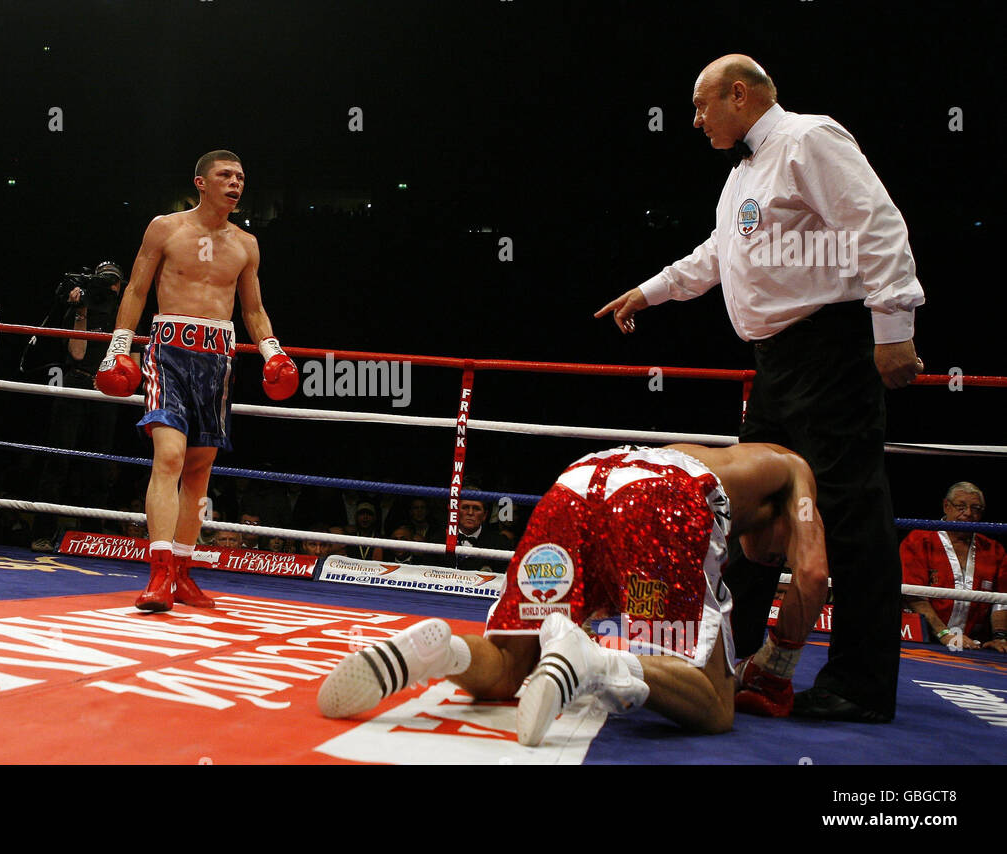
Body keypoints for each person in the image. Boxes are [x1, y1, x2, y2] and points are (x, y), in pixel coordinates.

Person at [595, 55, 925, 723]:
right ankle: (721, 655)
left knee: (852, 514)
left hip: (831, 351)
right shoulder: (743, 174)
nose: (694, 120)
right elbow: (718, 256)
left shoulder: (809, 139)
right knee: (743, 504)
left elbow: (879, 224)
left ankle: (860, 685)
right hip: (778, 367)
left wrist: (894, 327)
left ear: (737, 94)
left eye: (701, 106)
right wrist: (651, 291)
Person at [318, 443, 829, 741]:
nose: (770, 560)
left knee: (507, 668)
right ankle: (592, 661)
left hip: (576, 486)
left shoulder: (730, 468)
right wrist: (776, 668)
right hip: (657, 502)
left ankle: (439, 653)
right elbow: (811, 578)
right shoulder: (792, 470)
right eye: (776, 553)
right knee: (716, 704)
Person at [95, 150, 299, 612]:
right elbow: (136, 289)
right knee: (169, 456)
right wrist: (117, 347)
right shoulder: (165, 227)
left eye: (241, 177)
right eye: (225, 175)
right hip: (168, 352)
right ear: (201, 182)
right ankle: (159, 575)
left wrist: (273, 352)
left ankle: (183, 573)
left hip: (218, 360)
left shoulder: (247, 243)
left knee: (199, 469)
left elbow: (252, 310)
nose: (236, 183)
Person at [30, 261, 122, 552]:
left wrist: (112, 381)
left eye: (113, 282)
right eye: (104, 281)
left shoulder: (127, 313)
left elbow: (132, 358)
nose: (109, 287)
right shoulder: (81, 306)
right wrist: (81, 311)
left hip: (108, 389)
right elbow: (78, 353)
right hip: (78, 381)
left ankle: (93, 537)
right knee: (58, 459)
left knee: (98, 466)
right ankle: (43, 533)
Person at [901, 482, 1007, 652]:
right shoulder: (919, 540)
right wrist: (945, 634)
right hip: (922, 641)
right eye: (961, 506)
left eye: (976, 509)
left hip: (972, 645)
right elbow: (913, 594)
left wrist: (1000, 637)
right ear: (946, 506)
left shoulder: (994, 549)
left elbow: (1002, 599)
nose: (968, 514)